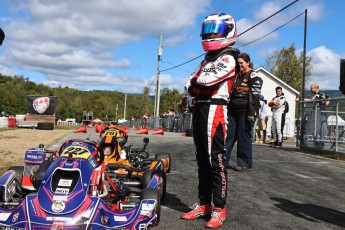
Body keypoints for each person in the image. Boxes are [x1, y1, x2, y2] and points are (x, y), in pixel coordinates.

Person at [181, 12, 239, 228]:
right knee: (201, 160)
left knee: (216, 160)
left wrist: (195, 85)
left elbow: (205, 82)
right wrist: (195, 85)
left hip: (216, 109)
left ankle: (219, 208)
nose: (210, 34)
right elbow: (189, 83)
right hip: (200, 110)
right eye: (207, 30)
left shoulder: (229, 57)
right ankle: (204, 203)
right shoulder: (206, 59)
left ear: (228, 31)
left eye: (215, 30)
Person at [225, 53, 262, 171]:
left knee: (243, 137)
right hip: (232, 111)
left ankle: (244, 164)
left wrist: (253, 112)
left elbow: (255, 96)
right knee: (229, 136)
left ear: (248, 62)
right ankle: (222, 161)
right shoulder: (237, 76)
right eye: (238, 63)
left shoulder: (253, 75)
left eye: (241, 63)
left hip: (246, 112)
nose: (239, 65)